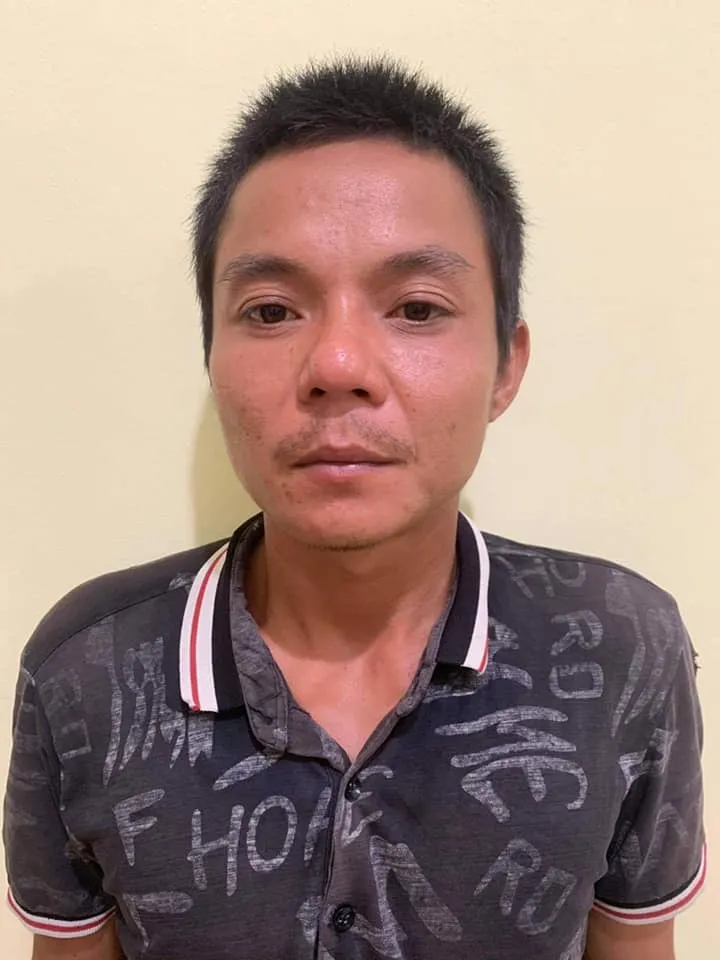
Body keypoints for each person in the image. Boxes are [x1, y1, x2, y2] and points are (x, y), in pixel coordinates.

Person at [3, 56, 705, 960]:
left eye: (416, 307)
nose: (338, 366)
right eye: (270, 311)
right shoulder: (85, 672)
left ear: (506, 366)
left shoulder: (624, 649)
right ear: (210, 357)